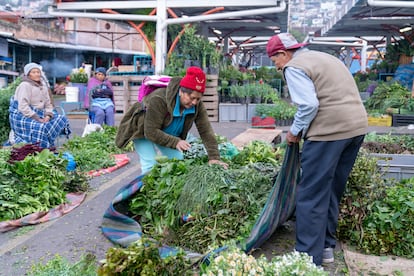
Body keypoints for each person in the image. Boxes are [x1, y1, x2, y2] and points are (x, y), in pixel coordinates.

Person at [266, 33, 368, 266]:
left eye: (275, 61)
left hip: (328, 133)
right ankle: (326, 248)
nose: (277, 67)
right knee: (331, 189)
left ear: (283, 53)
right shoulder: (324, 57)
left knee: (311, 194)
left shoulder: (294, 67)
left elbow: (309, 104)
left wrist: (293, 131)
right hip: (356, 129)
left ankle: (307, 259)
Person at [117, 66, 227, 174]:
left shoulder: (197, 106)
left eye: (198, 99)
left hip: (165, 132)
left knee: (178, 160)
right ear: (181, 92)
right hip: (143, 130)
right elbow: (150, 132)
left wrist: (214, 158)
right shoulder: (159, 99)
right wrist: (176, 142)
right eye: (191, 97)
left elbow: (206, 131)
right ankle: (148, 190)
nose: (194, 102)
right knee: (150, 165)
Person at [8, 62, 71, 148]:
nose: (37, 74)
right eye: (33, 72)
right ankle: (41, 148)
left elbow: (49, 105)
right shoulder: (25, 85)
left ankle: (46, 142)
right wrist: (37, 118)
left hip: (41, 114)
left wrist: (47, 116)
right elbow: (23, 106)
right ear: (28, 74)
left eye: (38, 72)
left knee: (61, 119)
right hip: (24, 115)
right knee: (40, 128)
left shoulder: (43, 86)